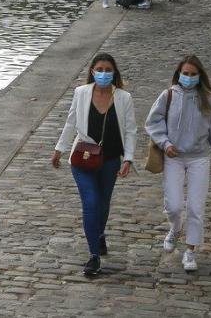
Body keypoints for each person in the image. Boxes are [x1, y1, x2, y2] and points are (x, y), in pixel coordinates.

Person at [52, 53, 137, 276]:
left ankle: (99, 234)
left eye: (108, 70)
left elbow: (130, 130)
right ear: (92, 71)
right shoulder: (81, 93)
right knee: (91, 201)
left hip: (109, 160)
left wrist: (128, 158)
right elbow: (71, 121)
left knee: (103, 203)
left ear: (114, 73)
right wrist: (59, 149)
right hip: (83, 158)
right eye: (100, 69)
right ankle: (94, 256)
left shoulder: (123, 98)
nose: (103, 73)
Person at [145, 55, 211, 272]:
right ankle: (175, 228)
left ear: (200, 76)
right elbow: (152, 122)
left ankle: (190, 251)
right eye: (185, 73)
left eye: (193, 74)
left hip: (199, 158)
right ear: (178, 73)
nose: (189, 77)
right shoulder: (168, 95)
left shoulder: (209, 100)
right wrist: (164, 143)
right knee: (173, 205)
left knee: (195, 207)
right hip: (173, 157)